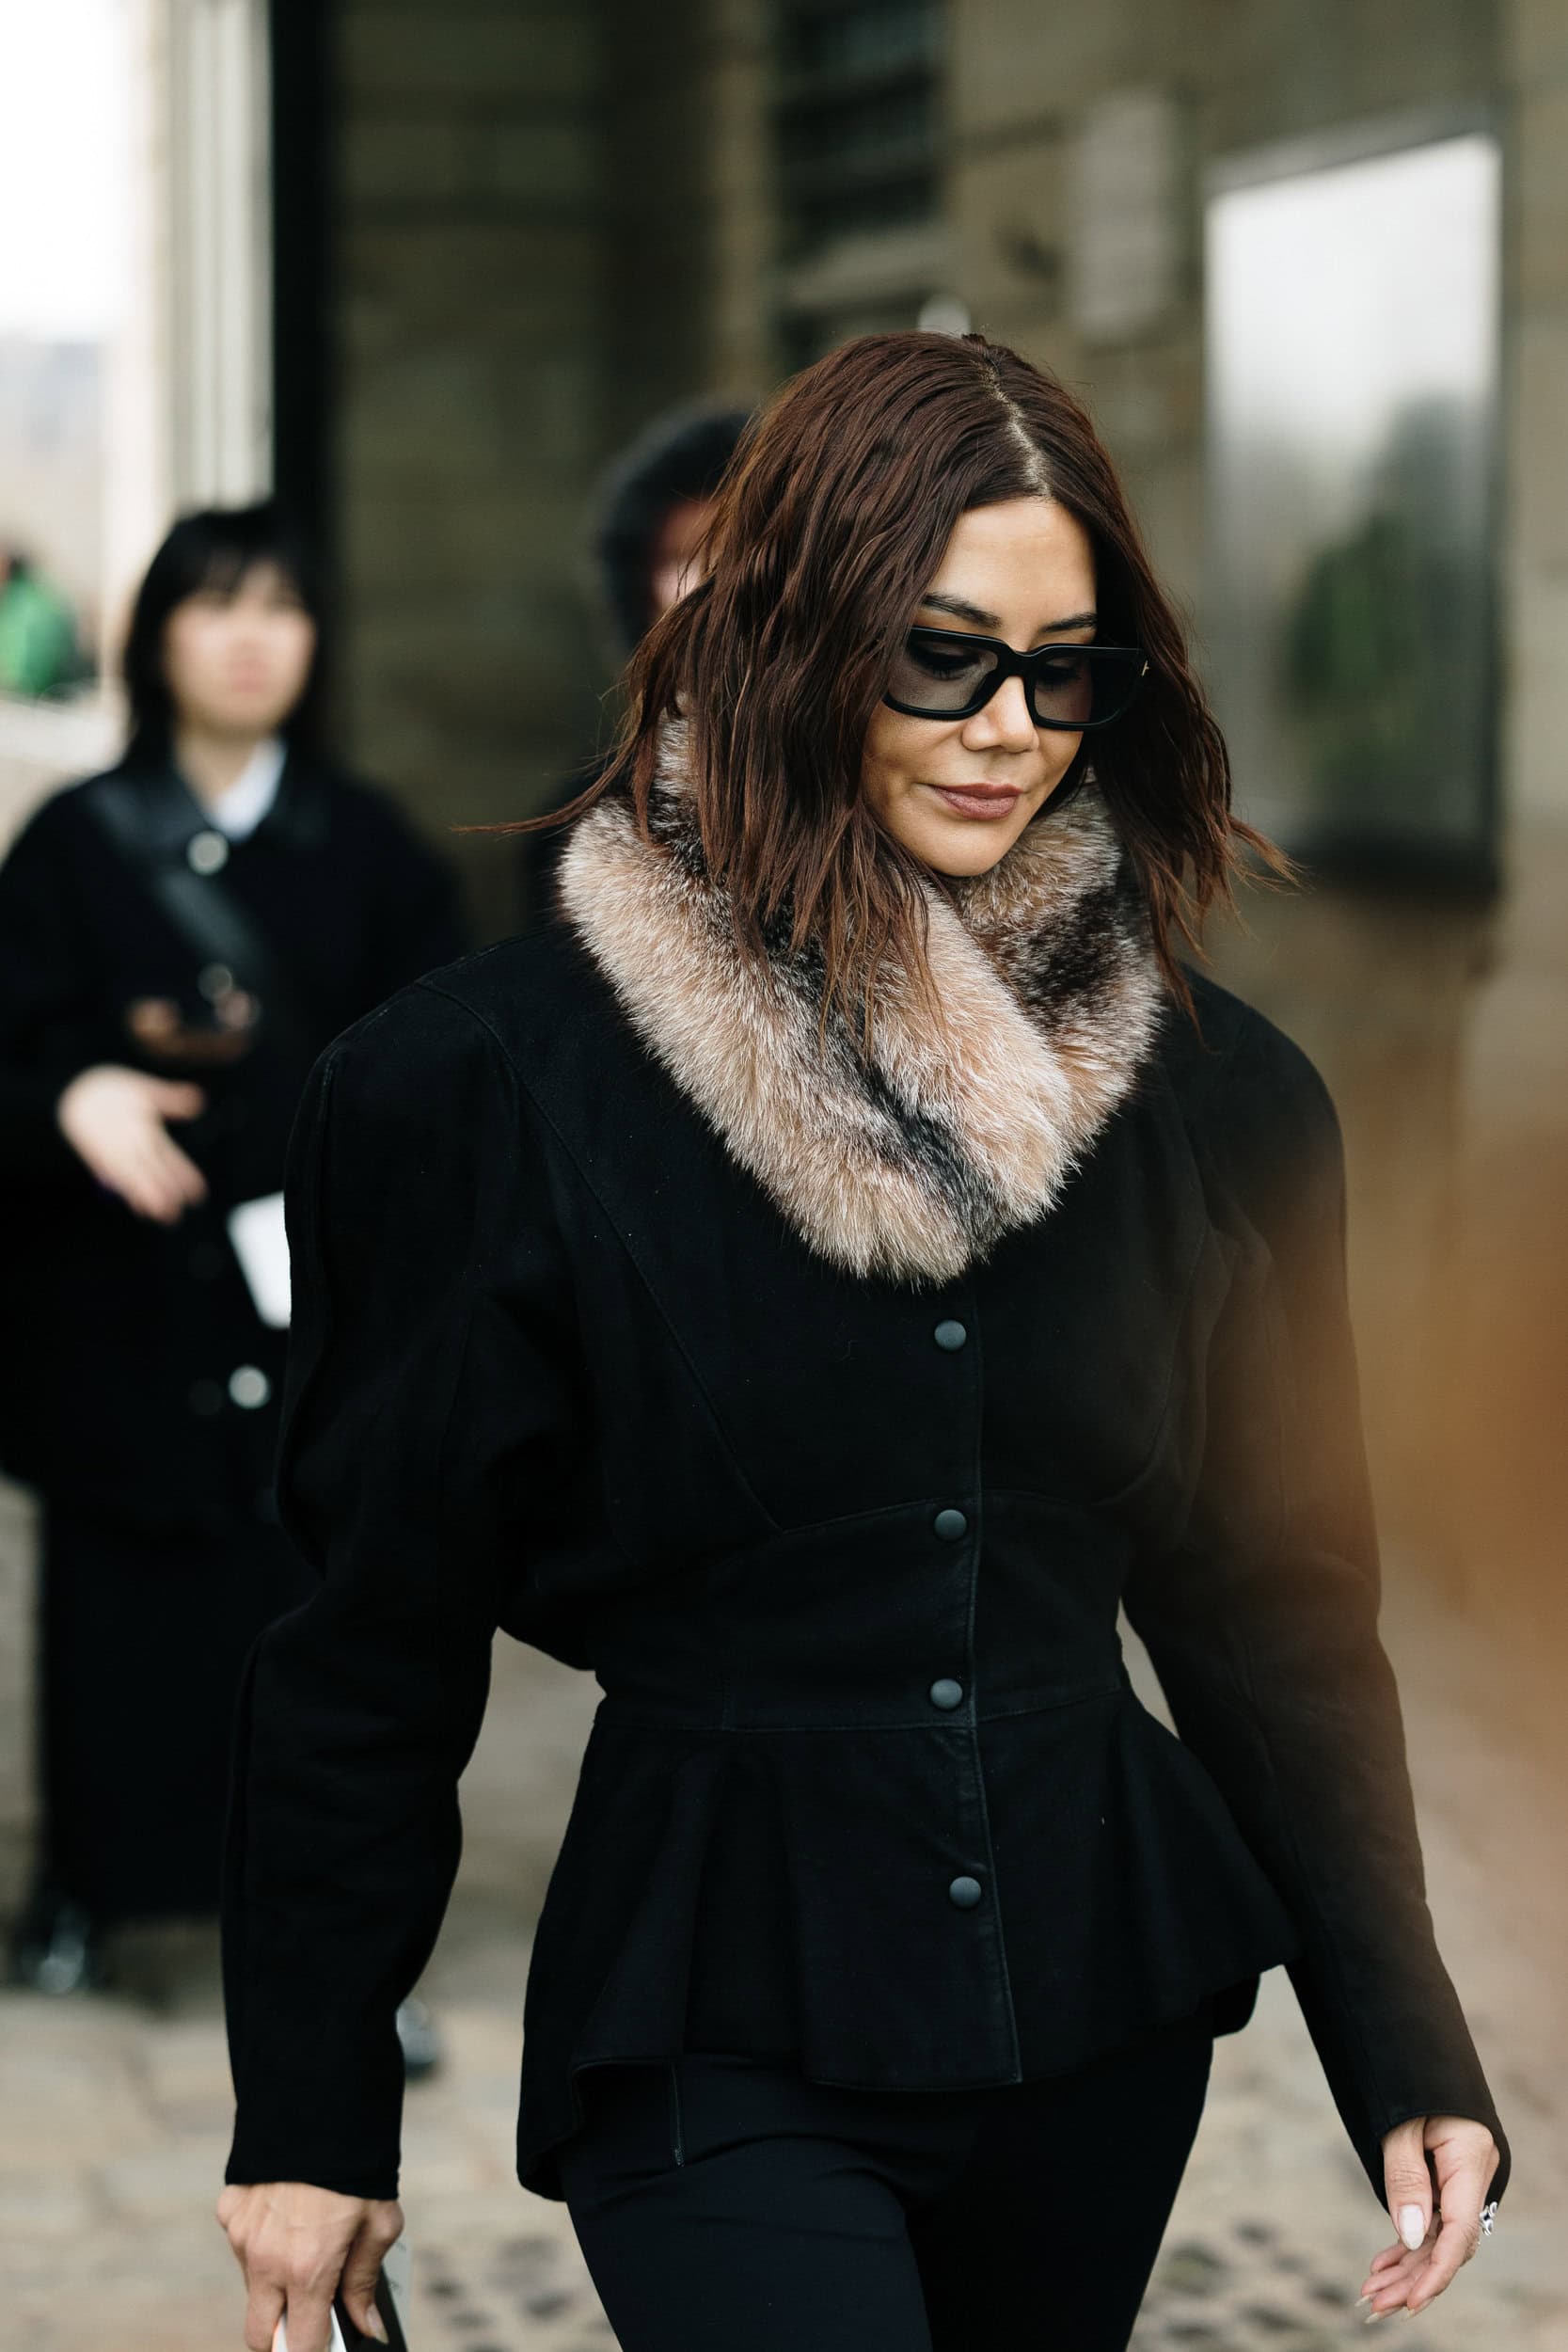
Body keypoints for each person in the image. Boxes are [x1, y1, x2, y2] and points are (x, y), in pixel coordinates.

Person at [217, 336, 1507, 2352]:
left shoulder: (1221, 1103)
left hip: (1093, 2011)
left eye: (1064, 671)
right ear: (791, 634)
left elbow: (1271, 1609)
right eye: (941, 657)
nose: (1009, 729)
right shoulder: (476, 1093)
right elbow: (367, 1636)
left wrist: (1399, 2037)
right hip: (709, 2013)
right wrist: (309, 2107)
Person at [0, 503, 465, 2018]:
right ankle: (90, 1891)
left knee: (319, 1628)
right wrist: (72, 1092)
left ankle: (344, 1947)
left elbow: (447, 1069)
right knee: (117, 1619)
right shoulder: (75, 845)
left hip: (310, 1312)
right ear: (158, 639)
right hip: (123, 1305)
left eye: (281, 607)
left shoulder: (370, 846)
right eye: (217, 606)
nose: (251, 638)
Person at [515, 403, 752, 931]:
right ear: (642, 590)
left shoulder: (882, 769)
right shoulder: (590, 822)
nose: (712, 584)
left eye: (735, 552)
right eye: (684, 557)